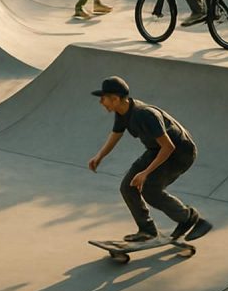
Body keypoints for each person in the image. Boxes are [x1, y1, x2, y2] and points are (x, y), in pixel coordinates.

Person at [88, 75, 212, 243]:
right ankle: (147, 230)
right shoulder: (122, 112)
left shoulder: (144, 114)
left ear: (115, 99)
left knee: (150, 191)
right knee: (127, 187)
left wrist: (145, 173)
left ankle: (191, 218)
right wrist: (99, 156)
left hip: (180, 153)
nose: (101, 102)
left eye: (103, 98)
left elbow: (169, 147)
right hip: (156, 150)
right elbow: (116, 134)